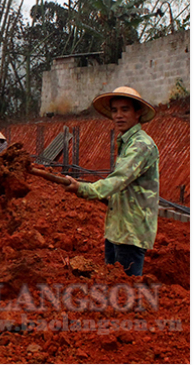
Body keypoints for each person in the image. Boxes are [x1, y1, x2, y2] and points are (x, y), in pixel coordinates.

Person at [64, 86, 159, 277]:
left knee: (125, 293)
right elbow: (122, 188)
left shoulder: (141, 145)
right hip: (117, 230)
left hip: (131, 233)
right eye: (114, 110)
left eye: (125, 109)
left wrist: (82, 188)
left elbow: (117, 180)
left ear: (137, 112)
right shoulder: (126, 143)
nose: (118, 115)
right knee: (111, 286)